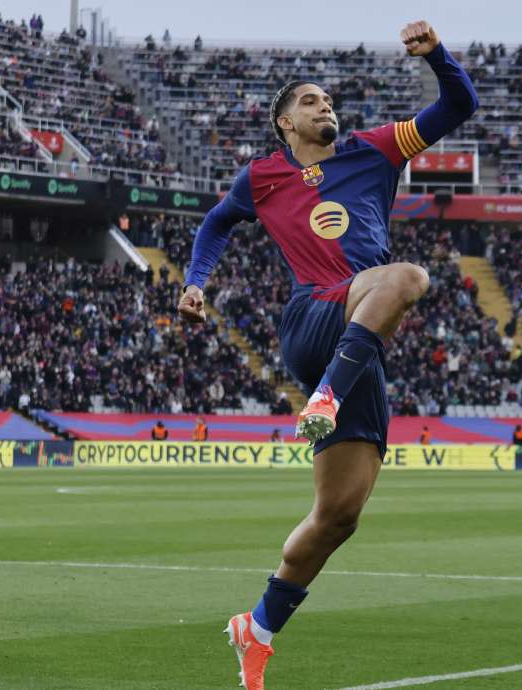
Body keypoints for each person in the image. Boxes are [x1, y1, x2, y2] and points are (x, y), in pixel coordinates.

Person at [176, 20, 476, 689]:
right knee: (409, 278)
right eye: (311, 101)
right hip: (316, 315)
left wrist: (439, 58)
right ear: (286, 121)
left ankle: (256, 628)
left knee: (340, 513)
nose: (325, 106)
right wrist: (196, 280)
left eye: (327, 100)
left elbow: (460, 107)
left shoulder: (373, 149)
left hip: (356, 338)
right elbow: (217, 221)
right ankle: (325, 396)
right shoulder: (262, 177)